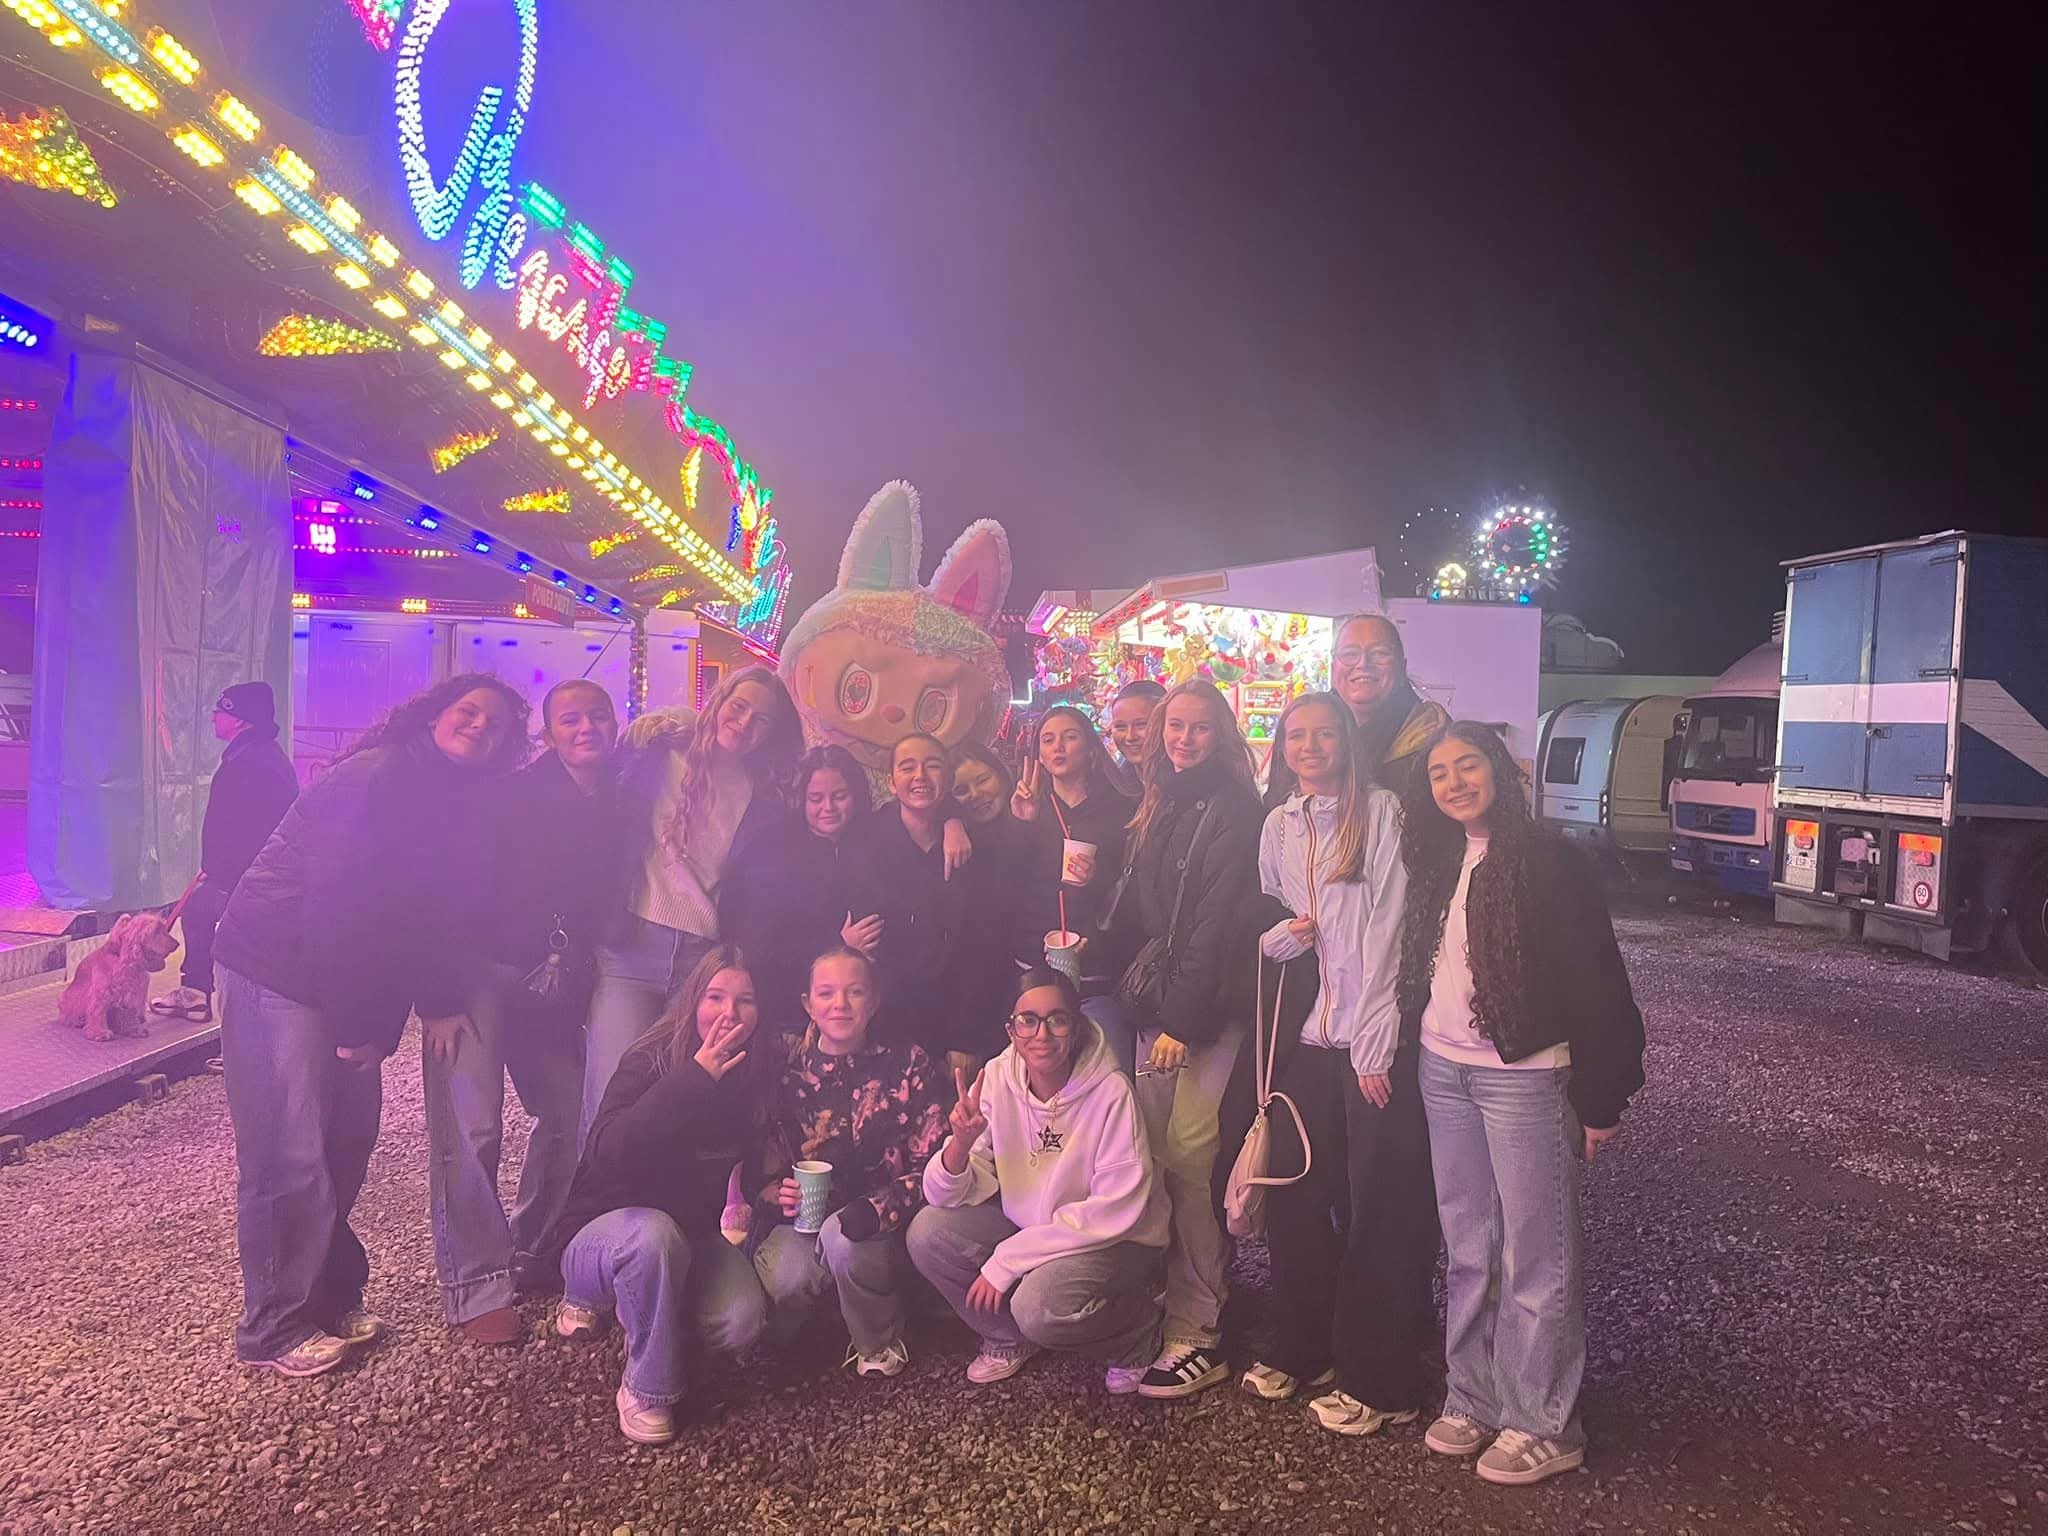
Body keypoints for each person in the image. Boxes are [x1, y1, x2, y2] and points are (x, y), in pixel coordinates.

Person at [212, 673, 530, 1377]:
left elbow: (427, 915)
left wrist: (434, 999)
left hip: (337, 981)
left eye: (496, 725)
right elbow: (341, 901)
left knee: (345, 1145)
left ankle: (326, 1296)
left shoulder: (451, 797)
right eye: (468, 711)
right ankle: (271, 1325)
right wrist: (359, 1025)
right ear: (433, 713)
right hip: (278, 970)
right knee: (286, 1153)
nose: (478, 726)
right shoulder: (378, 777)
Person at [1398, 722, 1646, 1486]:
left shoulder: (1548, 860)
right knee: (1470, 1244)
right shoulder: (1439, 859)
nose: (1454, 782)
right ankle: (1474, 1396)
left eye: (1467, 765)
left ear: (1501, 772)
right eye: (1440, 773)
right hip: (1445, 1070)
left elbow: (1596, 980)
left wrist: (1602, 1097)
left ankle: (1544, 1421)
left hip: (1526, 1077)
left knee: (1538, 1252)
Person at [1237, 692, 1436, 1438]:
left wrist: (1379, 1032)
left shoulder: (1382, 813)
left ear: (1347, 741)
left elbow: (1391, 926)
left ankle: (1382, 1378)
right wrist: (1275, 937)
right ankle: (1303, 1344)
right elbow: (1270, 911)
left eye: (1323, 734)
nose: (1309, 746)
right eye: (1297, 736)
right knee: (1290, 1193)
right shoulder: (1280, 823)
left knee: (1377, 1209)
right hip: (1311, 1041)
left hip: (1366, 1044)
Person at [426, 679, 624, 1345]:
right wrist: (439, 998)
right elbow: (444, 895)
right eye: (571, 718)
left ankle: (535, 1250)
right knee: (474, 1128)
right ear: (549, 731)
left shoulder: (624, 793)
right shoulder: (507, 797)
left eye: (598, 715)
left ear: (616, 724)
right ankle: (475, 1286)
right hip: (478, 975)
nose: (586, 727)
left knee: (572, 1118)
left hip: (554, 984)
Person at [1096, 679, 1263, 1398]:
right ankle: (1180, 1301)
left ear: (1220, 734)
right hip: (1164, 1007)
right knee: (1158, 1157)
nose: (1182, 738)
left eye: (1198, 728)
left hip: (1196, 1014)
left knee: (1191, 1162)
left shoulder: (1229, 807)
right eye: (1175, 727)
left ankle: (1200, 1328)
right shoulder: (1165, 802)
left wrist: (1179, 1023)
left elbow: (1213, 924)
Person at [549, 947, 773, 1445]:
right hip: (604, 1231)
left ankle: (653, 1315)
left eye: (745, 1001)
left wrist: (770, 1187)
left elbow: (755, 1164)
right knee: (651, 1237)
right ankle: (646, 1388)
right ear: (693, 1001)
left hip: (687, 1237)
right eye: (715, 997)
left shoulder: (752, 1077)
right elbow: (608, 1153)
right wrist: (693, 1080)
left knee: (741, 1321)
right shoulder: (649, 1059)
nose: (729, 1014)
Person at [907, 968, 1168, 1392]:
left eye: (1057, 1019)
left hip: (1114, 1239)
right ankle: (1010, 1338)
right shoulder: (996, 1076)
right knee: (927, 1232)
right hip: (1034, 1227)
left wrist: (1006, 1262)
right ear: (1011, 1029)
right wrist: (959, 1145)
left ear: (1075, 1026)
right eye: (1027, 1020)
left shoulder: (1110, 1092)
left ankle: (1138, 1333)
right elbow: (940, 1194)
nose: (1041, 1034)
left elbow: (1115, 1209)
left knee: (1038, 1306)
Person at [583, 665, 802, 1146]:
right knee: (609, 1092)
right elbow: (599, 793)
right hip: (630, 945)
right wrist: (658, 724)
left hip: (699, 958)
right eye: (738, 707)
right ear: (719, 700)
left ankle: (661, 1214)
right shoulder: (660, 753)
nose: (744, 723)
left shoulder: (762, 794)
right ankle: (590, 1217)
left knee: (680, 1088)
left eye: (761, 720)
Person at [749, 948, 947, 1377]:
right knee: (787, 1278)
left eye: (854, 992)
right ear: (808, 1004)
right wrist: (776, 1194)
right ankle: (818, 1327)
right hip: (804, 1223)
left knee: (846, 1239)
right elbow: (760, 1173)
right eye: (826, 993)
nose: (840, 1004)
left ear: (873, 1001)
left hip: (885, 1223)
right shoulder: (787, 1073)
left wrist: (877, 1210)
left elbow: (934, 1163)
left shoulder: (907, 1062)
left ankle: (877, 1341)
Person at [841, 733, 1005, 1077]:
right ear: (891, 781)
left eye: (932, 766)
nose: (920, 776)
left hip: (957, 1015)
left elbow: (982, 945)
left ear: (946, 779)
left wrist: (966, 1037)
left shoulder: (974, 845)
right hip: (888, 1019)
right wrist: (846, 945)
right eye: (907, 767)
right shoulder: (863, 841)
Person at [152, 682, 299, 1024]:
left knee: (203, 914)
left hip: (249, 873)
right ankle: (199, 994)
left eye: (222, 711)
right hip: (250, 870)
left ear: (241, 721)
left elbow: (251, 827)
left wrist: (222, 870)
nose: (215, 716)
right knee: (199, 912)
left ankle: (204, 997)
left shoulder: (253, 763)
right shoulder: (255, 755)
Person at [719, 744, 876, 1041]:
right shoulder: (773, 848)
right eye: (816, 799)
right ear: (801, 799)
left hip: (855, 1014)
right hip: (784, 1012)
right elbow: (758, 940)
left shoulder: (871, 839)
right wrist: (839, 945)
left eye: (839, 796)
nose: (828, 808)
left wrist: (952, 821)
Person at [1011, 706, 1134, 998]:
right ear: (1039, 754)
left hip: (1097, 960)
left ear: (1091, 749)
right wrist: (1022, 824)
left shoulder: (1121, 809)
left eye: (1070, 737)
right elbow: (1010, 881)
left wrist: (1097, 876)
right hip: (1035, 955)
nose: (1058, 747)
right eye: (1048, 739)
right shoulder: (1026, 807)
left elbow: (1133, 883)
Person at [1331, 613, 1449, 787]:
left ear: (1402, 667)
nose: (1363, 663)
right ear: (1334, 668)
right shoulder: (1308, 731)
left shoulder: (1433, 736)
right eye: (1350, 654)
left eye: (1379, 653)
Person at [1105, 679, 1166, 792]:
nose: (1130, 737)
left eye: (1141, 725)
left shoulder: (1189, 783)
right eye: (1120, 727)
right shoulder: (1115, 791)